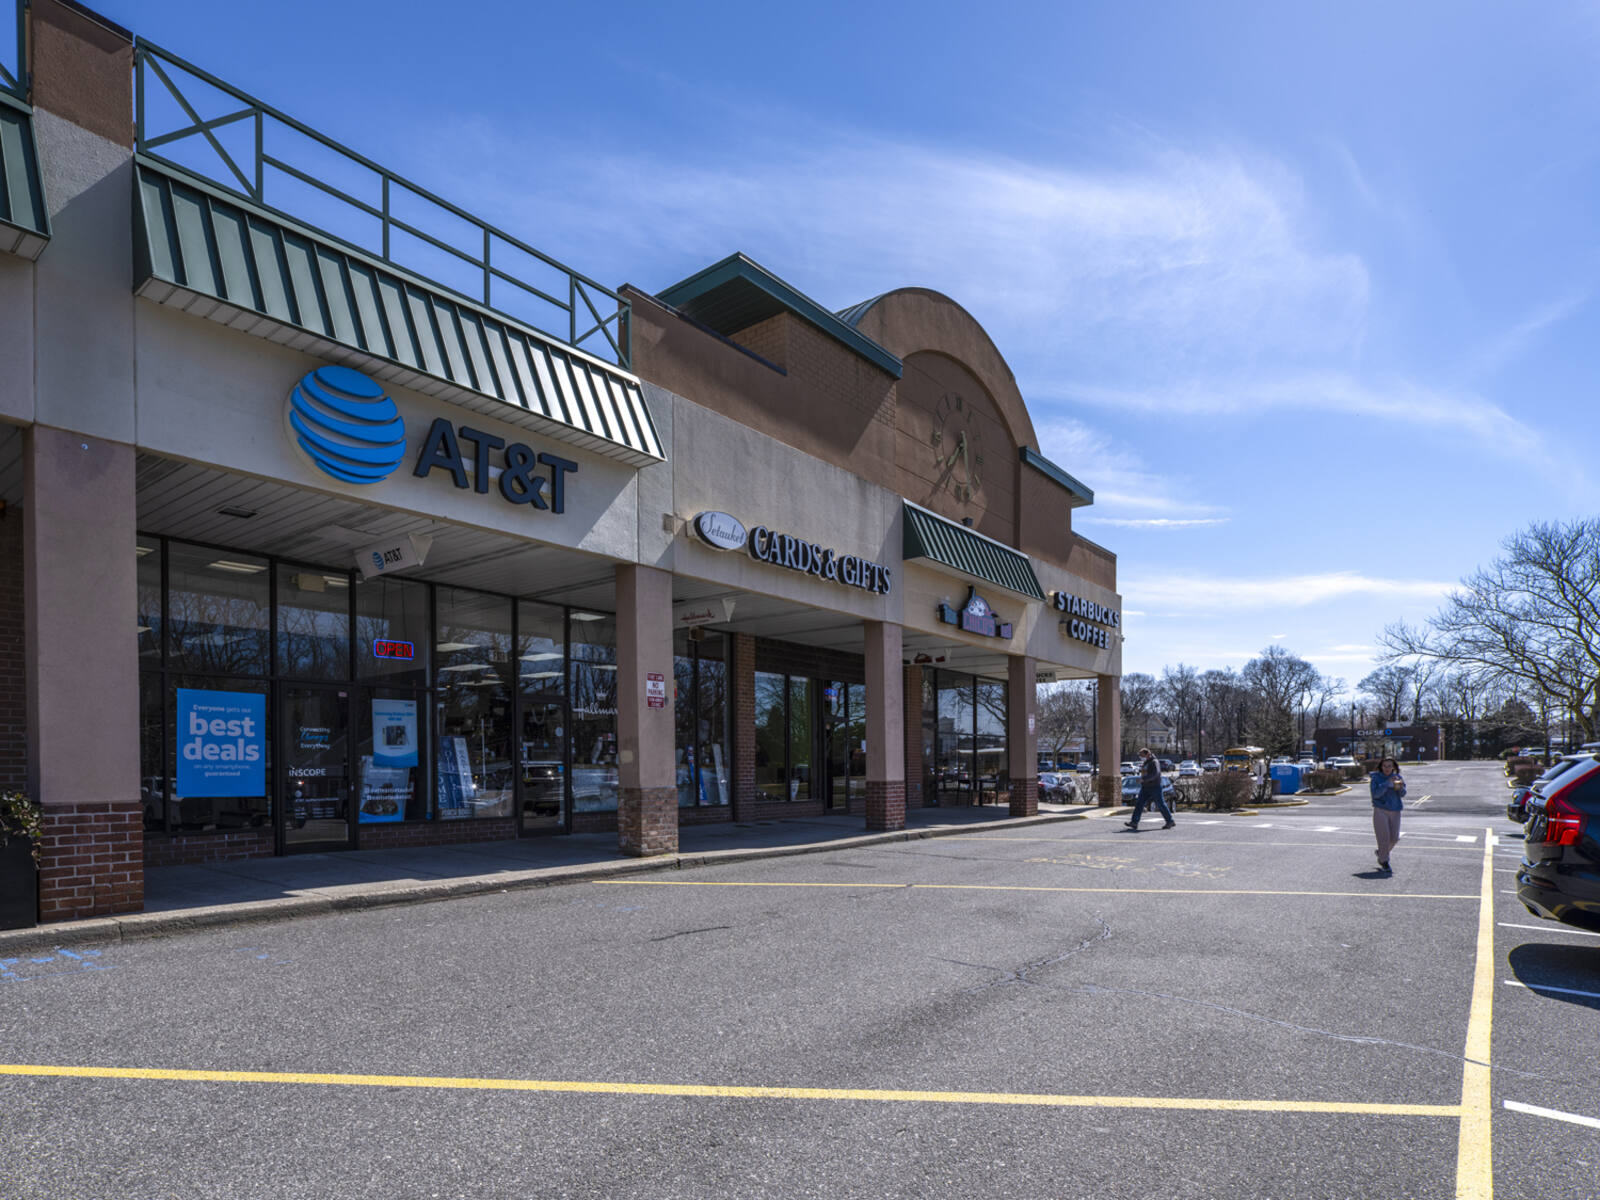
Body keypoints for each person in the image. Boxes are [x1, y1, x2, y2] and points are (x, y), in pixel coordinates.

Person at [1369, 756, 1405, 874]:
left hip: (1395, 810)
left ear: (1393, 767)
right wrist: (1386, 784)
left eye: (1389, 766)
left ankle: (1381, 853)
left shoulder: (1397, 777)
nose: (1387, 768)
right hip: (1381, 810)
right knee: (1384, 838)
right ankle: (1384, 861)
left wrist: (1399, 786)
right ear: (1381, 767)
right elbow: (1375, 795)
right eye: (1385, 766)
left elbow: (1402, 794)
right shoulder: (1376, 778)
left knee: (1394, 838)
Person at [1125, 747, 1175, 831]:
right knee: (1139, 804)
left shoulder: (1154, 762)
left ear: (1147, 754)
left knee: (1160, 804)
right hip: (1145, 787)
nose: (1140, 757)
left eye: (1142, 755)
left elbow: (1155, 774)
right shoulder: (1146, 762)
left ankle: (1170, 821)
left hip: (1155, 787)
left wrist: (1144, 779)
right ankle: (1134, 822)